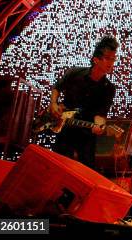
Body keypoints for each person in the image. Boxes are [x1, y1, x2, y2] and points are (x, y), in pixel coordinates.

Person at [49, 35, 118, 169]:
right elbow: (57, 88)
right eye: (108, 58)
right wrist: (53, 104)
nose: (111, 63)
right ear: (96, 60)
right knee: (59, 166)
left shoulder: (108, 89)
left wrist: (100, 126)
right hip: (63, 129)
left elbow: (100, 115)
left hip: (85, 134)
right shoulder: (75, 73)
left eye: (113, 59)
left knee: (86, 170)